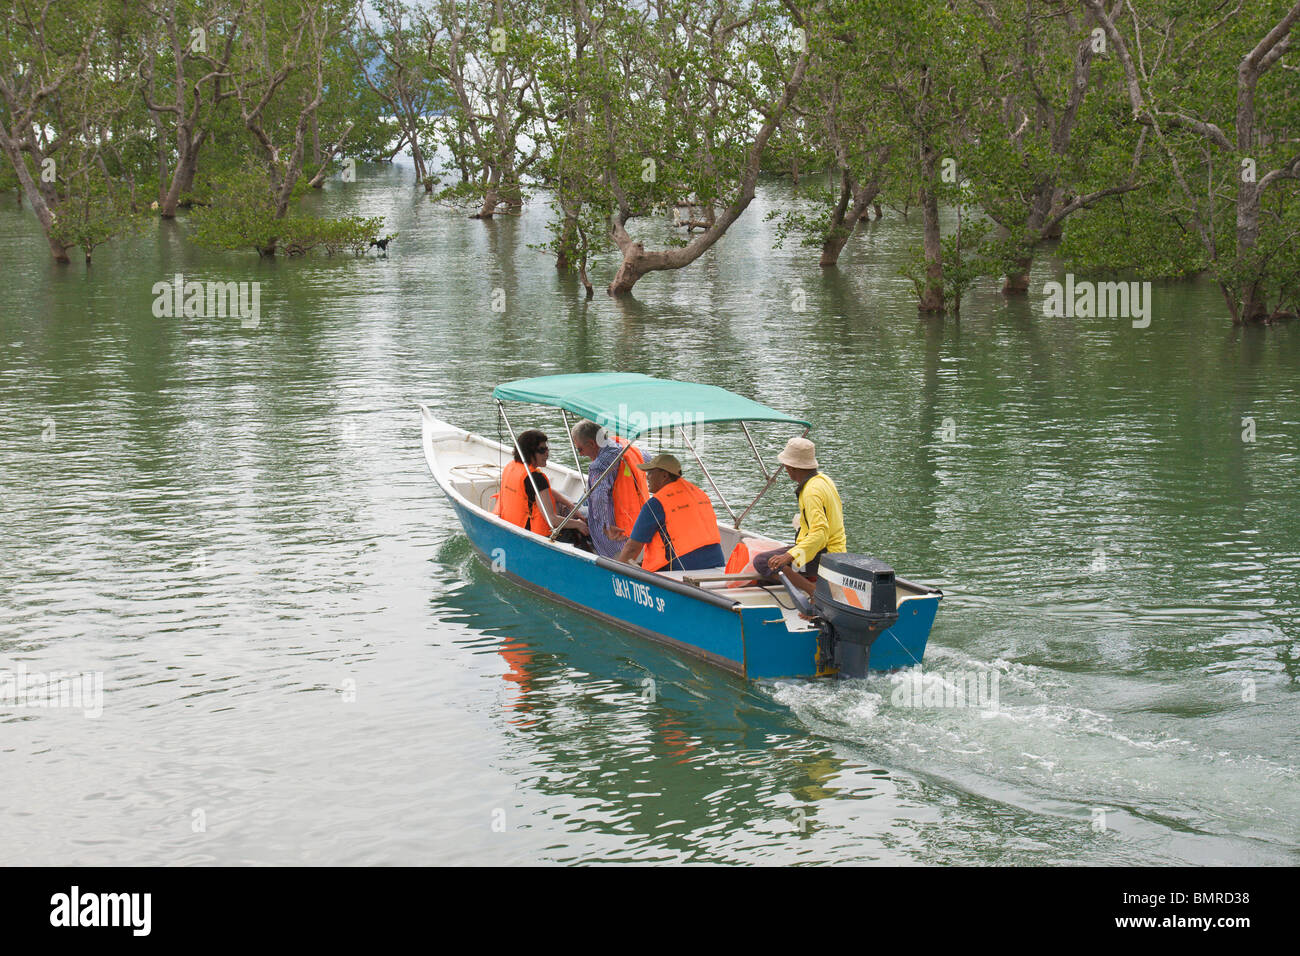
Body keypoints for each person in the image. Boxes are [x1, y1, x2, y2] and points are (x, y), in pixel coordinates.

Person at [752, 436, 846, 596]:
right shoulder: (824, 480)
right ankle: (808, 582)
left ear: (792, 467)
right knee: (778, 560)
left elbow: (820, 534)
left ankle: (813, 592)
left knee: (763, 562)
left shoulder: (811, 491)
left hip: (823, 557)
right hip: (836, 551)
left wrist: (789, 556)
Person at [616, 454, 725, 572]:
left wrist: (614, 574)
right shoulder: (699, 494)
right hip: (717, 564)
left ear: (664, 476)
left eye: (651, 472)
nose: (647, 477)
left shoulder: (656, 503)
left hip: (683, 572)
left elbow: (632, 549)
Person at [570, 419, 649, 559]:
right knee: (582, 501)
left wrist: (605, 526)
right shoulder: (623, 446)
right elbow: (648, 458)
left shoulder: (599, 466)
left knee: (572, 511)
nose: (580, 454)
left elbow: (599, 499)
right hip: (637, 519)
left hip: (616, 528)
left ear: (591, 444)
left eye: (580, 449)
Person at [493, 429, 588, 539]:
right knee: (589, 518)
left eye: (547, 448)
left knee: (564, 496)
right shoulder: (536, 478)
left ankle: (577, 507)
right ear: (529, 452)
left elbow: (543, 491)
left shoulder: (512, 466)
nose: (547, 453)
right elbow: (551, 519)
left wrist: (569, 505)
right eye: (542, 450)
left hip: (512, 524)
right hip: (536, 534)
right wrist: (578, 524)